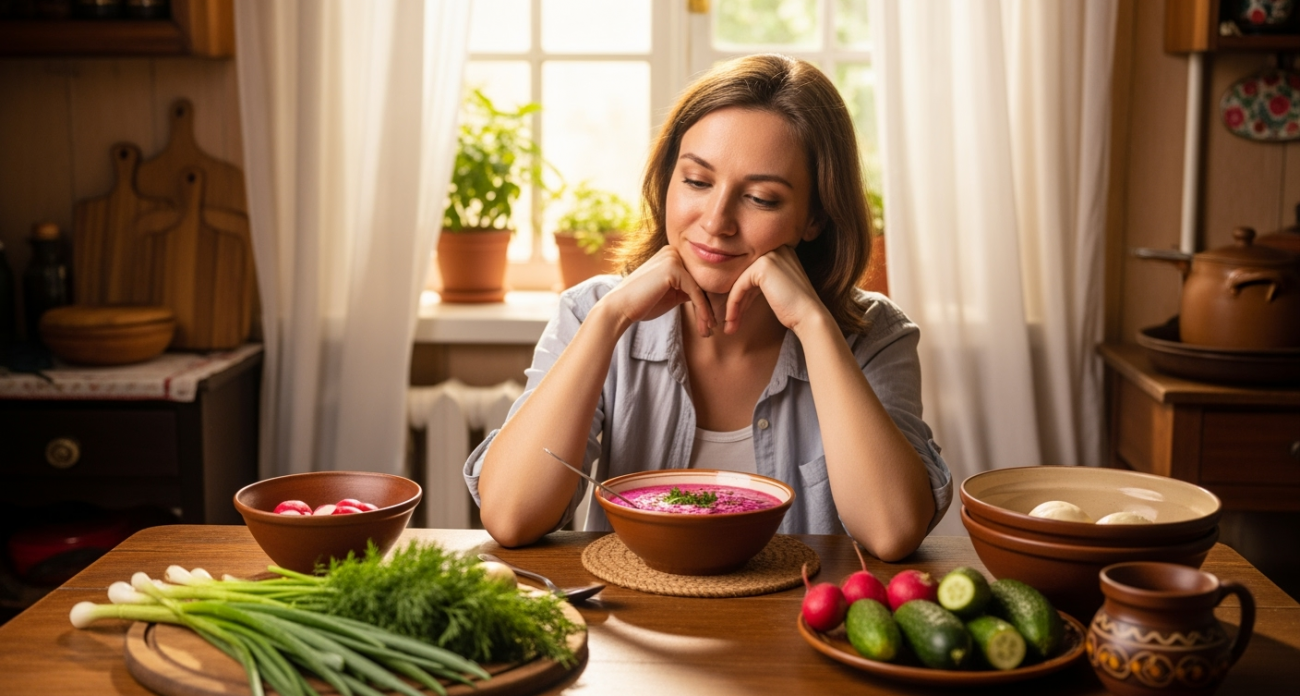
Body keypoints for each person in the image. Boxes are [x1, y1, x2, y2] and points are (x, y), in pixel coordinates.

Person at [464, 54, 952, 562]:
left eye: (761, 198)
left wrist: (813, 324)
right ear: (666, 182)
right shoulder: (590, 311)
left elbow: (892, 531)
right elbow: (510, 516)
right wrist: (609, 321)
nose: (717, 221)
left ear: (815, 217)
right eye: (697, 182)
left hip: (798, 634)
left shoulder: (877, 335)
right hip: (631, 631)